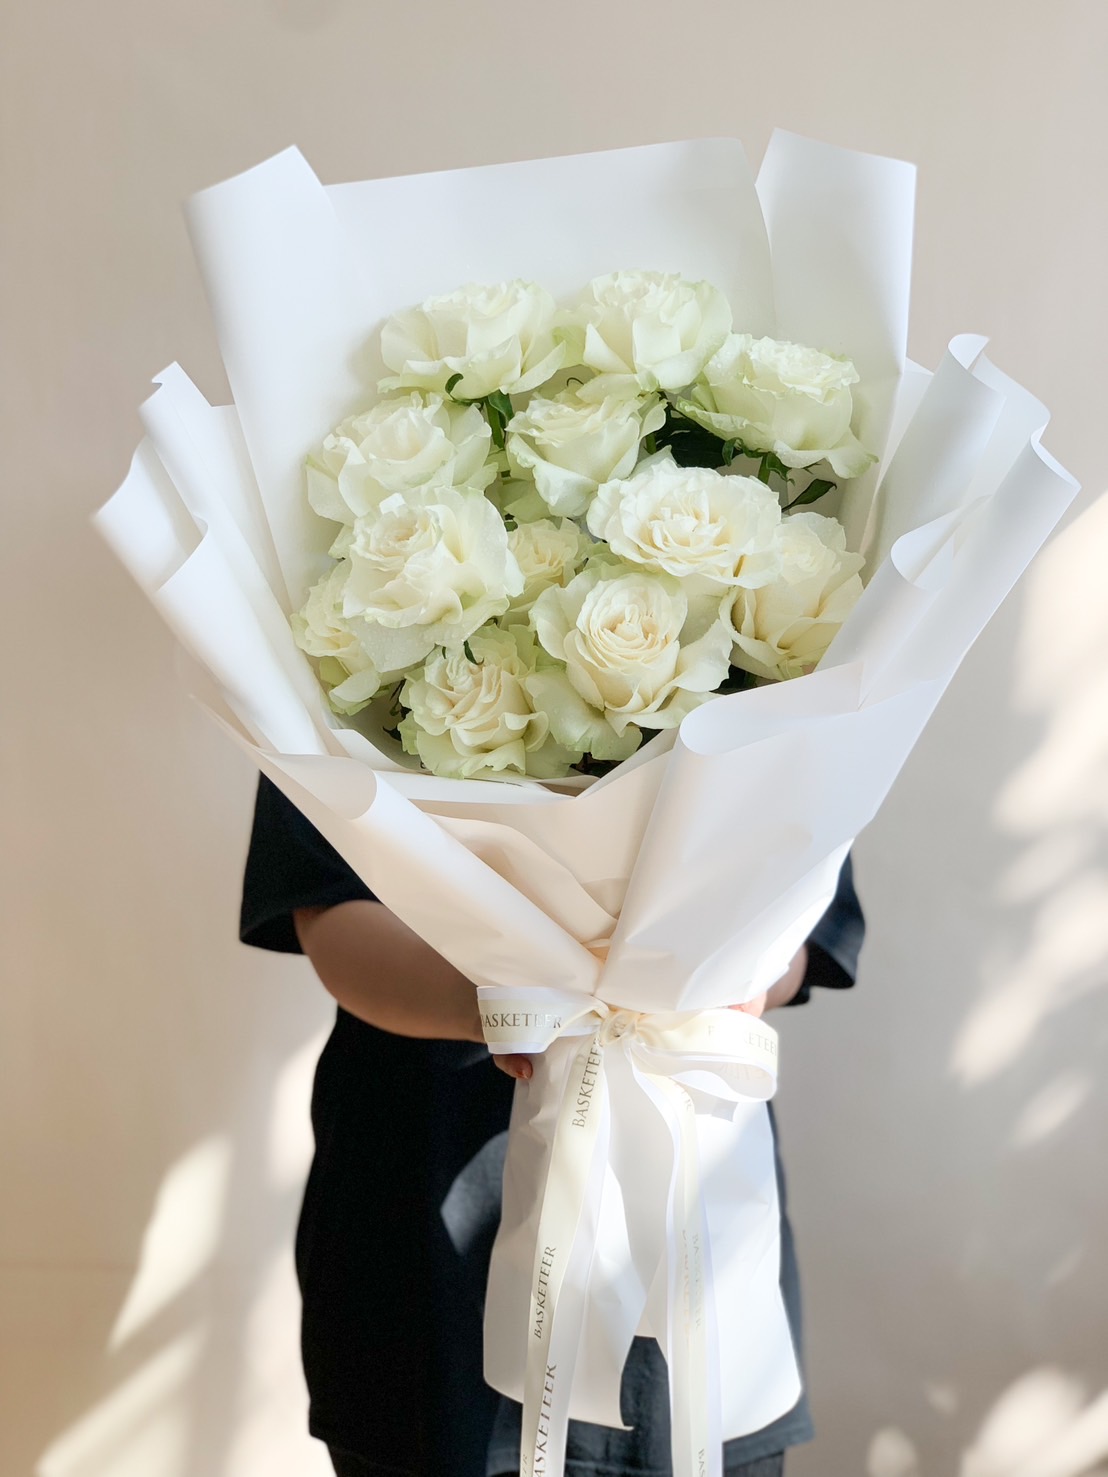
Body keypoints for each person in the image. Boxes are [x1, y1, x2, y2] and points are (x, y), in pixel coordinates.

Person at [240, 774, 864, 1477]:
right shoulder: (327, 664)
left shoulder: (787, 679)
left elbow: (809, 916)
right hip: (425, 1206)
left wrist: (725, 980)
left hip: (690, 1205)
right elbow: (329, 910)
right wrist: (516, 1006)